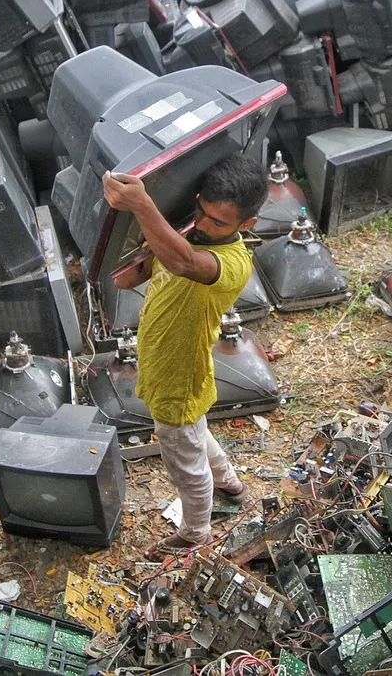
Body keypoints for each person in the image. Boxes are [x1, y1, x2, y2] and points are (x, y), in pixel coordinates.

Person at [102, 154, 269, 558]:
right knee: (195, 435)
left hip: (179, 374)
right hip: (165, 364)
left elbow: (184, 261)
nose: (206, 225)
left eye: (219, 222)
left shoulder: (231, 262)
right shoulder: (189, 231)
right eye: (203, 212)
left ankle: (196, 531)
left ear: (246, 226)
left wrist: (143, 205)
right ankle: (230, 484)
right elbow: (135, 274)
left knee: (184, 461)